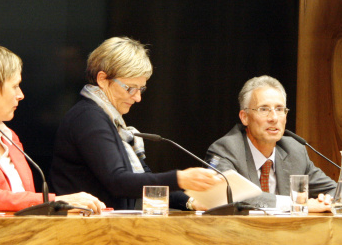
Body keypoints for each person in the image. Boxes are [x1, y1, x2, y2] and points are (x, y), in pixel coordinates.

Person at [49, 37, 219, 210]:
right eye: (130, 88)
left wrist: (191, 202)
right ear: (102, 79)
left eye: (141, 89)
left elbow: (145, 179)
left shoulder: (112, 121)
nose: (138, 98)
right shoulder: (88, 117)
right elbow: (118, 181)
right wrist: (180, 179)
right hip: (84, 228)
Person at [0, 44, 105, 213]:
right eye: (15, 86)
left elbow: (25, 199)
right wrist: (57, 201)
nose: (21, 95)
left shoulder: (9, 135)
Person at [205, 76, 336, 212]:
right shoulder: (225, 149)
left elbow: (339, 192)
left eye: (279, 109)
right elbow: (227, 197)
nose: (273, 118)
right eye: (264, 109)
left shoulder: (294, 151)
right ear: (244, 117)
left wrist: (327, 200)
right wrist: (297, 204)